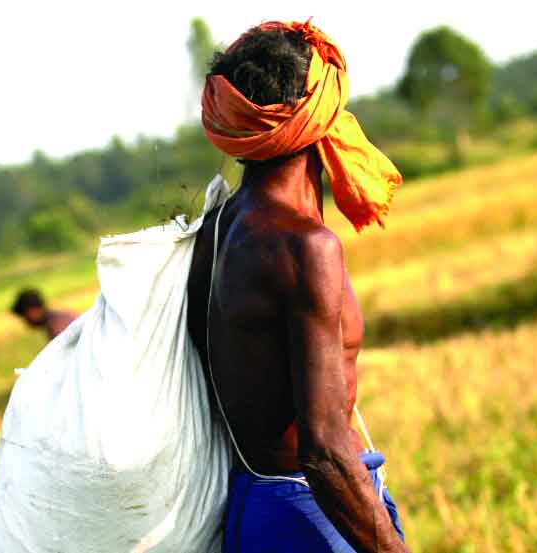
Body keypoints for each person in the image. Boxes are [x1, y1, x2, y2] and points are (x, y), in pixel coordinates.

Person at [186, 20, 408, 553]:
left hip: (253, 507)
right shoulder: (307, 247)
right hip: (314, 513)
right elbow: (326, 454)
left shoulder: (216, 230)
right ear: (319, 115)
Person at [10, 288, 77, 340]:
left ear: (32, 311)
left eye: (24, 316)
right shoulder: (61, 317)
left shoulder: (56, 328)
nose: (25, 321)